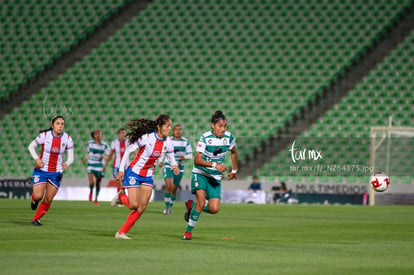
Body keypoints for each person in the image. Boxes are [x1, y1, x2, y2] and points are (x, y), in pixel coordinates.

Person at [111, 114, 179, 240]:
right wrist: (121, 170)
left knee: (142, 207)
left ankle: (121, 233)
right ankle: (121, 195)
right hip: (134, 172)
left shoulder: (168, 142)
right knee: (133, 205)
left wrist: (174, 165)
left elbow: (171, 156)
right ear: (159, 127)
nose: (170, 129)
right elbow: (128, 151)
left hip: (148, 176)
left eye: (170, 126)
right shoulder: (146, 138)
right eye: (167, 126)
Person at [182, 110, 237, 240]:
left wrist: (234, 170)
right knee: (200, 202)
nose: (223, 129)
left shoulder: (229, 138)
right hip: (200, 174)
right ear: (213, 125)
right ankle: (188, 233)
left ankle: (192, 206)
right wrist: (215, 165)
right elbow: (197, 160)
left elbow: (234, 152)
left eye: (225, 126)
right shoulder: (205, 138)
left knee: (214, 209)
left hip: (215, 177)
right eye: (220, 126)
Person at [28, 115, 74, 226]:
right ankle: (34, 200)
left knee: (48, 199)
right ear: (52, 125)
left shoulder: (67, 139)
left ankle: (36, 219)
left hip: (56, 172)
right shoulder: (44, 136)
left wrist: (66, 163)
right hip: (41, 170)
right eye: (58, 123)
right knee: (39, 196)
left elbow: (71, 157)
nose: (60, 126)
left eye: (62, 124)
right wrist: (37, 159)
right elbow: (31, 147)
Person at [158, 124, 193, 215]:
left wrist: (184, 157)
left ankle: (170, 206)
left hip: (180, 166)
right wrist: (160, 161)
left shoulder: (185, 141)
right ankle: (167, 207)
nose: (178, 131)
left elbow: (190, 155)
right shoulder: (168, 140)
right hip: (168, 165)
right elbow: (163, 151)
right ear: (173, 131)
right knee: (168, 185)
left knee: (174, 188)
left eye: (180, 129)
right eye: (176, 129)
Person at [82, 129, 109, 205]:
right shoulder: (90, 144)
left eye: (99, 134)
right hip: (91, 164)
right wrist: (85, 159)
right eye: (96, 134)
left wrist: (105, 158)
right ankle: (91, 191)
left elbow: (109, 156)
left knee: (98, 182)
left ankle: (96, 199)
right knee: (91, 182)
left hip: (100, 166)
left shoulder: (104, 145)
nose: (98, 135)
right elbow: (88, 153)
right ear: (94, 136)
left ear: (101, 135)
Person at [104, 128, 129, 205]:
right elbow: (111, 155)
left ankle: (121, 198)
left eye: (124, 133)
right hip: (116, 166)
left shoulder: (129, 142)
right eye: (121, 133)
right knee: (119, 182)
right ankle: (120, 198)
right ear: (118, 134)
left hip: (126, 166)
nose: (123, 134)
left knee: (124, 183)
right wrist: (104, 166)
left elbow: (134, 153)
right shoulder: (114, 143)